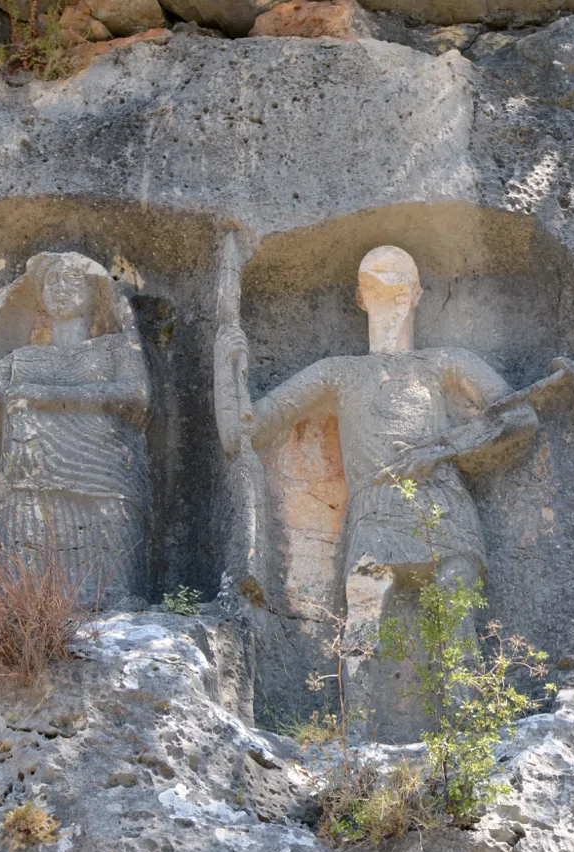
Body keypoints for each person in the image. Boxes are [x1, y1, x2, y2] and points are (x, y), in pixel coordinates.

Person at [215, 245, 537, 737]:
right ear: (360, 297)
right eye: (376, 281)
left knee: (454, 606)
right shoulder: (338, 372)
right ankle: (358, 745)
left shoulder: (445, 362)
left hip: (443, 500)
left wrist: (447, 449)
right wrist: (227, 365)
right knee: (365, 604)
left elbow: (518, 415)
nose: (389, 291)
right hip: (375, 505)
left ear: (419, 293)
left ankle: (468, 738)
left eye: (400, 279)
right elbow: (248, 428)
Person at [0, 252, 152, 601]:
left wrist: (40, 395)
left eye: (72, 279)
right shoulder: (25, 358)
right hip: (31, 475)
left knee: (112, 589)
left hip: (101, 472)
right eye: (51, 281)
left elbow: (137, 394)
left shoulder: (115, 349)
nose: (60, 288)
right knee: (29, 582)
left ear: (94, 291)